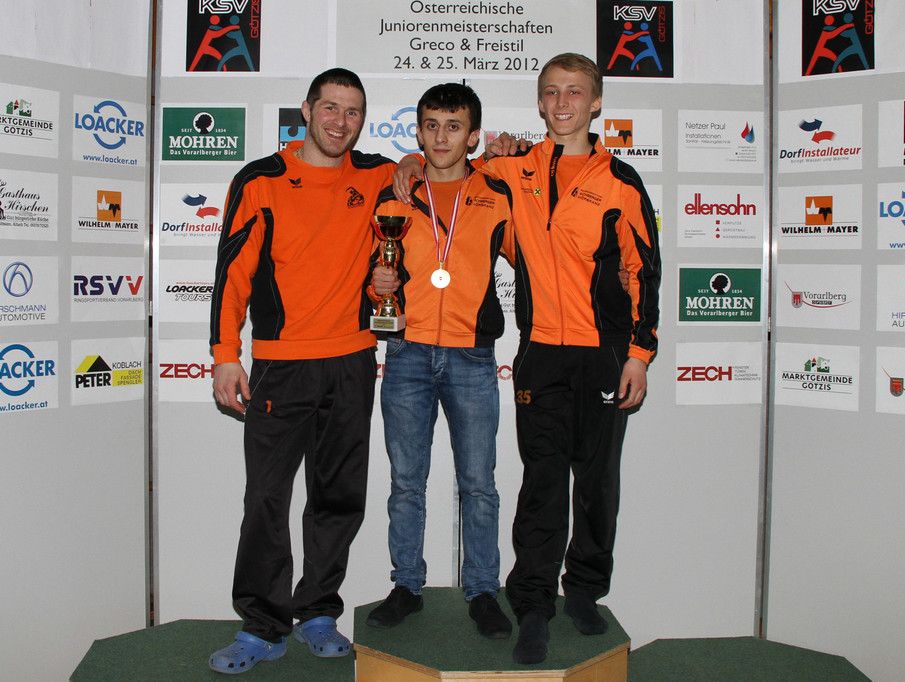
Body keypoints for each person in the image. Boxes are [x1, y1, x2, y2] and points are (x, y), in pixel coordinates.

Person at [399, 53, 661, 665]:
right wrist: (409, 160)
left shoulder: (622, 181)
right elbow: (446, 164)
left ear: (596, 102)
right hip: (539, 352)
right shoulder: (511, 170)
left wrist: (639, 355)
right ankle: (535, 603)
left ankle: (585, 591)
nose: (563, 102)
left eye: (575, 92)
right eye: (552, 92)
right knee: (542, 482)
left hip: (603, 355)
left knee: (596, 482)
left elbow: (644, 270)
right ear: (540, 102)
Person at [207, 68, 396, 675]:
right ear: (308, 111)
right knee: (266, 498)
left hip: (353, 361)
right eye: (330, 108)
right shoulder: (261, 179)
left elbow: (439, 169)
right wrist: (224, 354)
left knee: (337, 496)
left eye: (353, 111)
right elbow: (233, 272)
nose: (341, 122)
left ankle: (317, 610)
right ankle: (262, 625)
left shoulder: (379, 176)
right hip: (280, 366)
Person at [364, 83, 515, 640]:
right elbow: (374, 275)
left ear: (473, 136)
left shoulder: (498, 193)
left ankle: (483, 591)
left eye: (454, 126)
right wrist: (378, 285)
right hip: (406, 352)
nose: (441, 137)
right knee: (406, 482)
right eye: (431, 125)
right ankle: (407, 585)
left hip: (472, 356)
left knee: (479, 484)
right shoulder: (395, 197)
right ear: (418, 131)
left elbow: (537, 256)